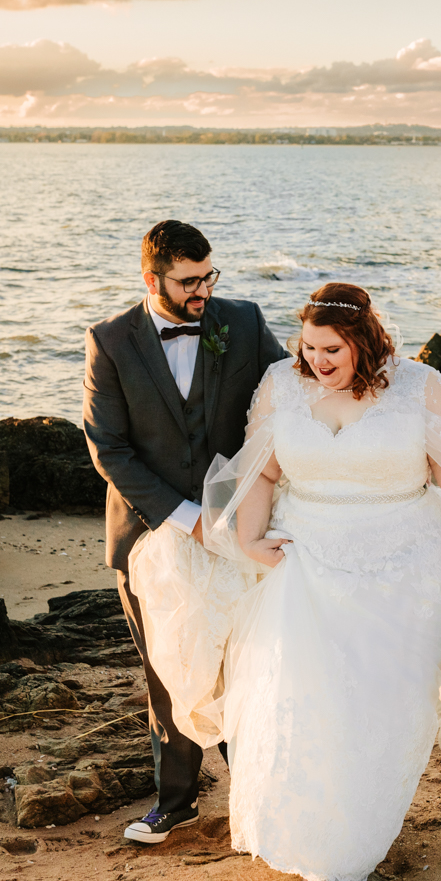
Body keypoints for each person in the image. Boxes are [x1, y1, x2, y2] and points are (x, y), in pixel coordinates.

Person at [197, 282, 441, 881]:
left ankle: (360, 827)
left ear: (363, 341)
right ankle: (309, 831)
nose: (317, 363)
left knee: (385, 703)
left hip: (404, 567)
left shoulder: (423, 390)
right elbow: (262, 469)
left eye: (331, 350)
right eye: (308, 348)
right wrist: (250, 541)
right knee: (305, 699)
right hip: (305, 560)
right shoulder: (281, 384)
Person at [82, 219, 288, 844]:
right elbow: (109, 450)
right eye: (188, 281)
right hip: (150, 534)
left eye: (208, 277)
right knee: (168, 670)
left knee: (244, 663)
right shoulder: (111, 340)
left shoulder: (243, 321)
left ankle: (259, 793)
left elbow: (291, 391)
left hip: (240, 528)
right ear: (153, 279)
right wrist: (184, 518)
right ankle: (176, 802)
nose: (203, 291)